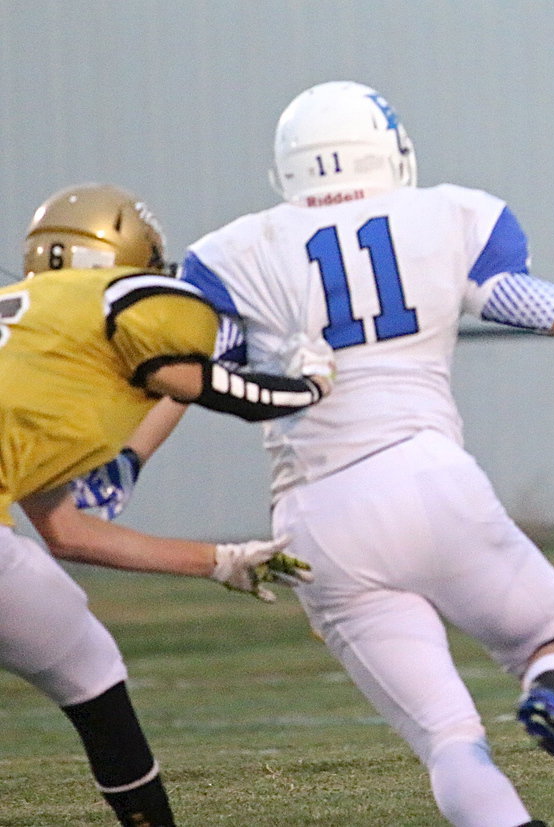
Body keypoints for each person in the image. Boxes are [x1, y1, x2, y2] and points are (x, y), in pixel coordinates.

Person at [174, 81, 554, 826]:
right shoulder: (447, 217)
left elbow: (184, 380)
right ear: (388, 150)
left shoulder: (230, 253)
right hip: (427, 481)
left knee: (448, 740)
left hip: (317, 519)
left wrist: (120, 462)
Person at [1, 183, 326, 825]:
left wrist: (217, 559)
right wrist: (308, 389)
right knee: (90, 671)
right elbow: (195, 381)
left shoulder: (39, 344)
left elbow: (66, 532)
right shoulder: (116, 300)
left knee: (81, 651)